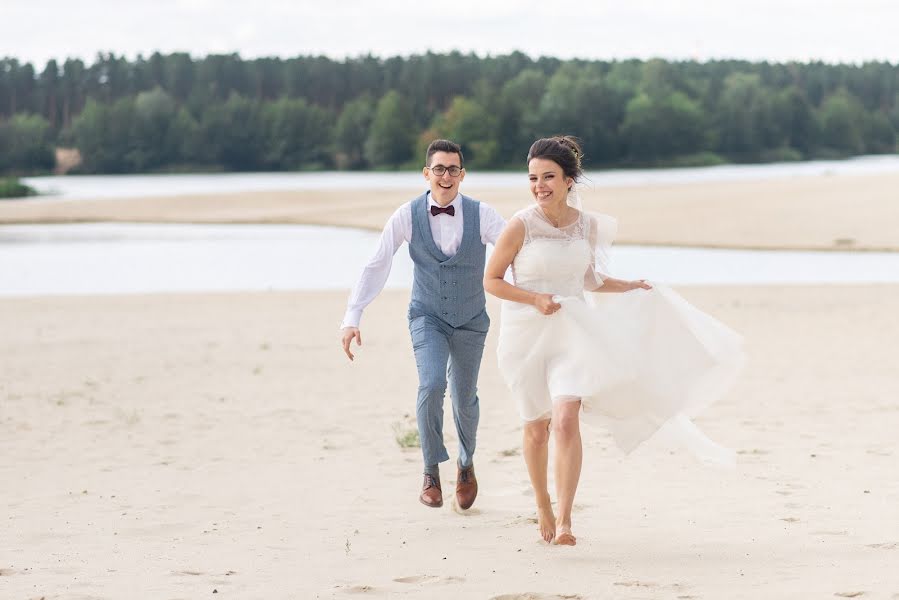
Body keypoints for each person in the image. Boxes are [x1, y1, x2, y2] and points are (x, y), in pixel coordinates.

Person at [483, 136, 744, 545]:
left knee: (566, 418)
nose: (539, 185)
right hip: (525, 336)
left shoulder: (586, 226)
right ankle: (542, 503)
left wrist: (631, 287)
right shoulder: (520, 225)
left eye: (548, 177)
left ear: (569, 180)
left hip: (572, 332)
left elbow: (588, 280)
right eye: (533, 178)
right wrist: (534, 298)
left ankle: (566, 520)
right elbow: (492, 281)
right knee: (536, 428)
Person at [341, 139, 506, 510]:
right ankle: (431, 471)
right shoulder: (406, 215)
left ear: (462, 175)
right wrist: (353, 316)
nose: (445, 176)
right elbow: (377, 263)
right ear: (426, 173)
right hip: (426, 316)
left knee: (464, 398)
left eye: (453, 169)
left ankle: (465, 464)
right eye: (439, 169)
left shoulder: (485, 215)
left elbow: (514, 254)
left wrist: (533, 297)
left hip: (471, 319)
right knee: (431, 384)